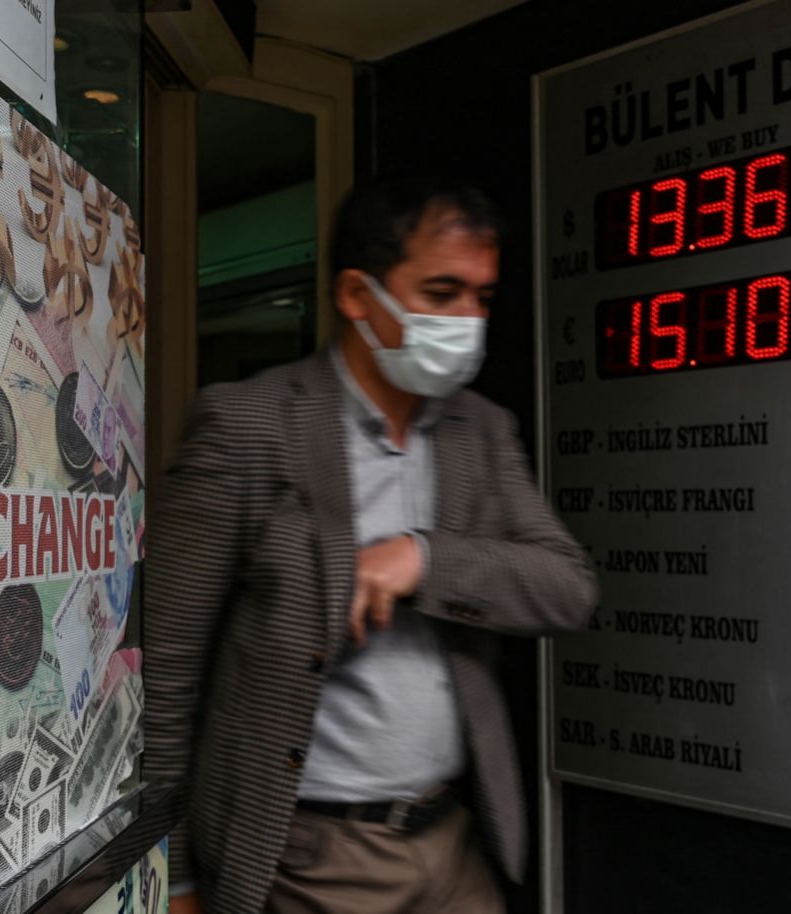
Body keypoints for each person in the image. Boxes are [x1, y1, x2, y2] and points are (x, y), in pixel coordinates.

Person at [146, 176, 596, 914]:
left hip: (452, 840)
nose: (468, 320)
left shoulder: (482, 430)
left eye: (481, 298)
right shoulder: (246, 426)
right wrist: (176, 872)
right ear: (358, 296)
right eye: (442, 293)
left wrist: (422, 557)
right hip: (309, 857)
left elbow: (568, 586)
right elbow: (167, 672)